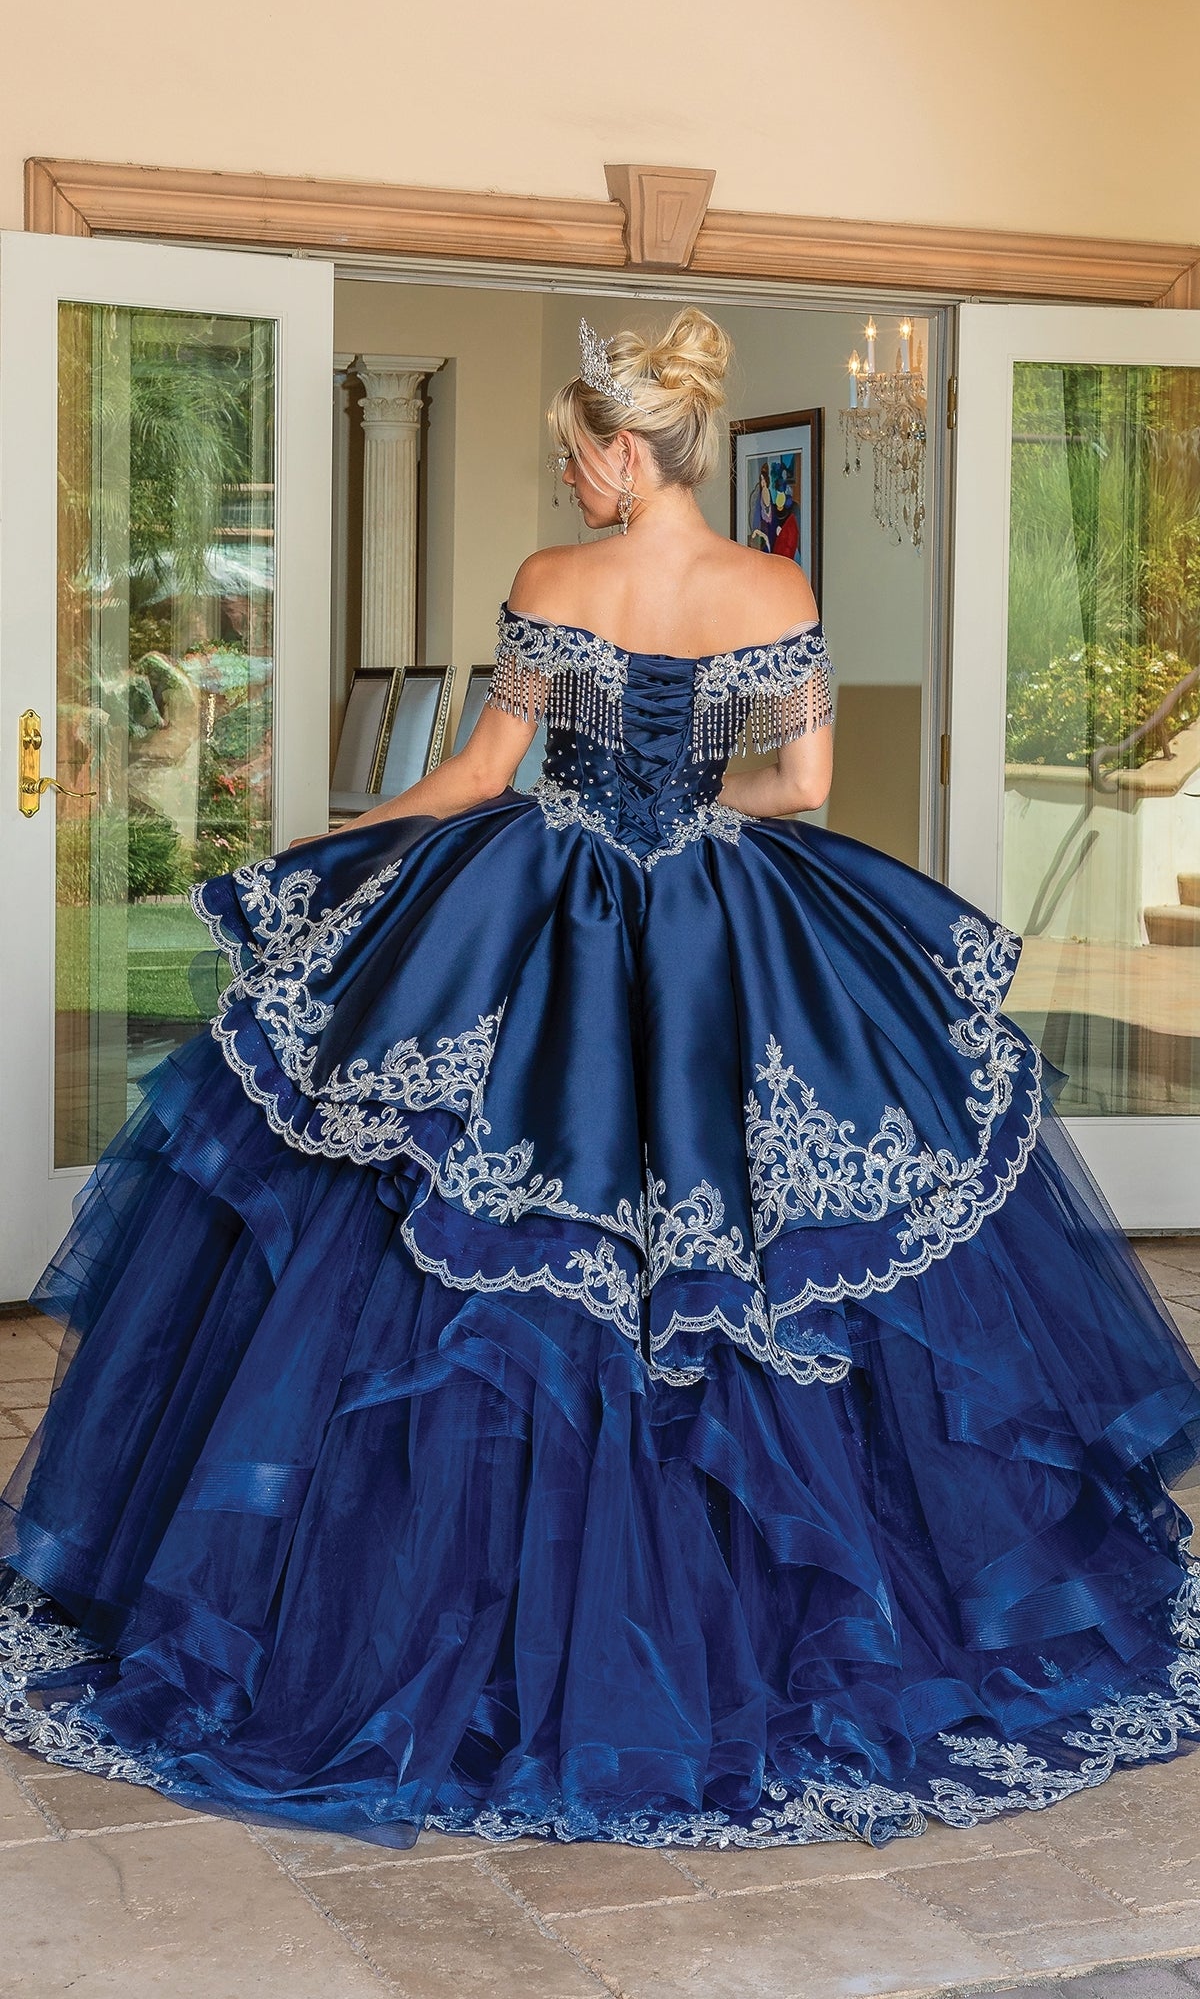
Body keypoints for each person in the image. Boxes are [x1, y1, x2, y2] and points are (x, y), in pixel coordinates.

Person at [3, 307, 1200, 1855]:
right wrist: (697, 815)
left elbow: (478, 778)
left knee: (458, 1227)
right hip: (720, 924)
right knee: (760, 1236)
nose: (567, 476)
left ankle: (441, 1617)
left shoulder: (555, 582)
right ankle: (776, 1626)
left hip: (546, 914)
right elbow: (804, 788)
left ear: (629, 451)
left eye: (576, 453)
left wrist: (333, 845)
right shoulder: (776, 588)